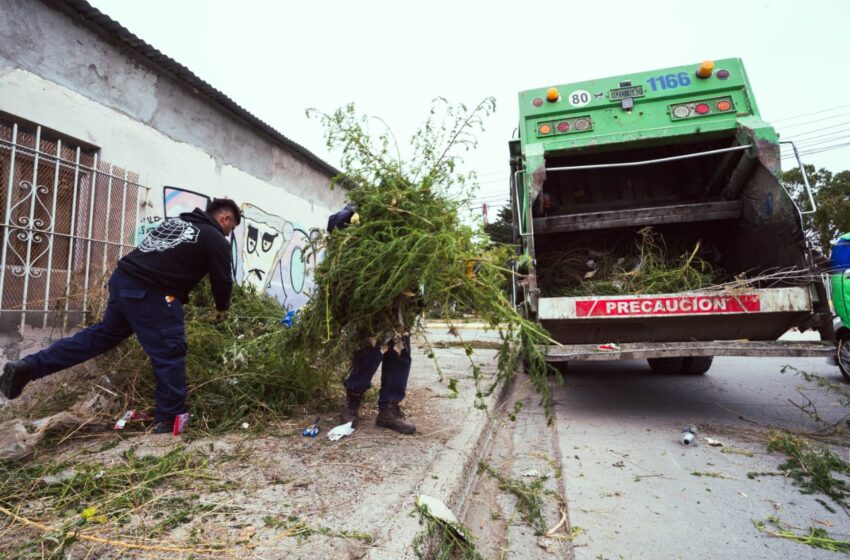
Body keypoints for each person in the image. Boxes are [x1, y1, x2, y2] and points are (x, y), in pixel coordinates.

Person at [0, 198, 241, 433]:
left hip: (123, 282)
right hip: (153, 293)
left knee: (102, 336)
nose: (228, 234)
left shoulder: (174, 223)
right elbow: (222, 279)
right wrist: (221, 309)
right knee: (170, 351)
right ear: (226, 217)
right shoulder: (214, 237)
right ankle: (169, 419)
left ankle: (29, 367)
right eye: (231, 228)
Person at [327, 204, 416, 435]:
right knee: (369, 350)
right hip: (371, 299)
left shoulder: (409, 225)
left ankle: (389, 409)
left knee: (400, 352)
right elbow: (333, 225)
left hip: (399, 298)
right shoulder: (358, 214)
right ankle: (352, 401)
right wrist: (355, 215)